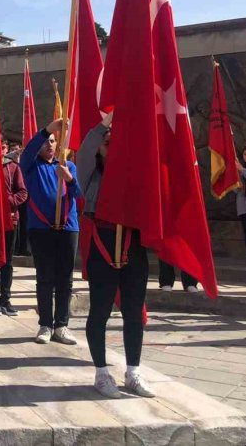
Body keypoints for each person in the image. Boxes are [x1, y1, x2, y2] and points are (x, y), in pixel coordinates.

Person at [77, 112, 155, 399]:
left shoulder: (135, 173)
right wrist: (107, 122)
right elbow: (86, 146)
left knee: (134, 311)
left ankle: (133, 371)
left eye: (117, 144)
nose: (112, 147)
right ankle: (101, 373)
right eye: (108, 143)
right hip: (103, 243)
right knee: (100, 311)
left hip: (133, 245)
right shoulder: (90, 173)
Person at [20, 118, 80, 345]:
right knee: (44, 278)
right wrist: (47, 130)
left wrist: (70, 180)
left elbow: (79, 195)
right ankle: (45, 324)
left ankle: (61, 325)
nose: (49, 144)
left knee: (65, 279)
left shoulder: (68, 166)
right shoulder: (32, 165)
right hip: (41, 229)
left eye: (54, 141)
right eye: (46, 141)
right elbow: (29, 151)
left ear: (59, 145)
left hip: (67, 228)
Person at [0, 140, 28, 316]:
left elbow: (23, 192)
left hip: (11, 220)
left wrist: (7, 203)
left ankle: (6, 299)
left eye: (4, 147)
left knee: (7, 262)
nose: (1, 150)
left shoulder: (14, 168)